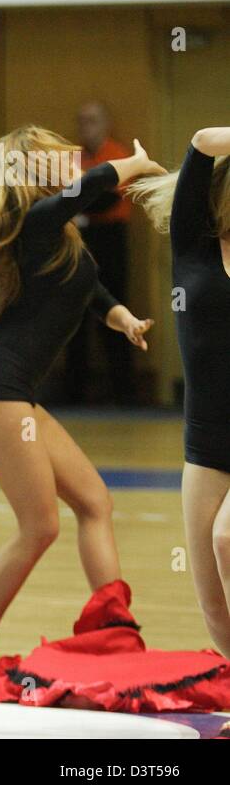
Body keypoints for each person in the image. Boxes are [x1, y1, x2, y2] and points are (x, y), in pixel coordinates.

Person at [0, 127, 163, 669]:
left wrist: (120, 318)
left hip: (14, 392)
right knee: (40, 525)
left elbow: (87, 288)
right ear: (36, 173)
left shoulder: (58, 237)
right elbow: (92, 185)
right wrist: (132, 165)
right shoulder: (37, 223)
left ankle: (116, 630)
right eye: (55, 159)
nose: (69, 163)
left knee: (96, 503)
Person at [128, 125, 230, 658]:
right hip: (205, 443)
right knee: (212, 599)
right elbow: (200, 141)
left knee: (227, 542)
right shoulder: (194, 243)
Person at [65, 100, 138, 404]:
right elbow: (65, 196)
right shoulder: (73, 158)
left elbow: (105, 201)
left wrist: (82, 196)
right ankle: (74, 391)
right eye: (82, 121)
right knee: (74, 315)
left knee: (112, 307)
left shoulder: (117, 155)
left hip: (109, 241)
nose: (86, 127)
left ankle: (124, 391)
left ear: (106, 124)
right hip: (78, 240)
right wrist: (84, 196)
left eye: (92, 121)